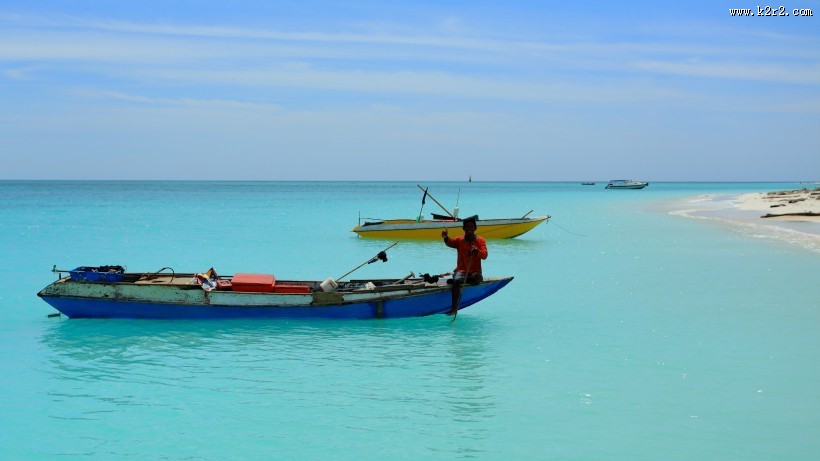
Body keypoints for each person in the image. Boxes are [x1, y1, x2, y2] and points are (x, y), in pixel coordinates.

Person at [441, 216, 488, 315]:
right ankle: (454, 309)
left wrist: (477, 252)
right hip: (461, 271)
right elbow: (450, 243)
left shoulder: (480, 240)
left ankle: (460, 280)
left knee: (477, 277)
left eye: (471, 227)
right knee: (457, 281)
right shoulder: (459, 240)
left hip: (475, 272)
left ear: (475, 228)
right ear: (463, 228)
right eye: (467, 227)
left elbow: (484, 255)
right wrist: (445, 237)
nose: (469, 229)